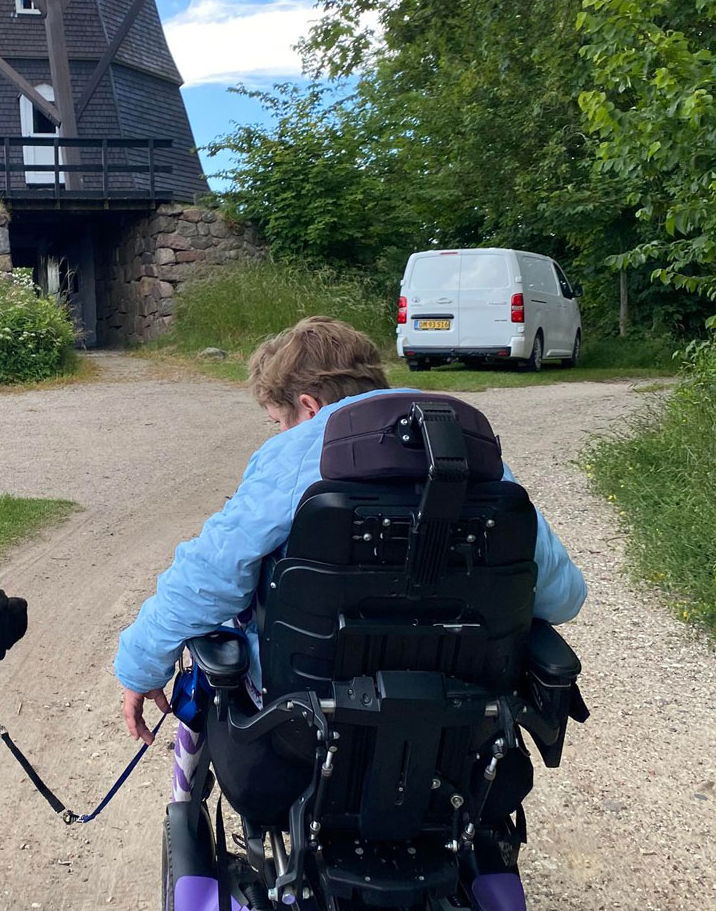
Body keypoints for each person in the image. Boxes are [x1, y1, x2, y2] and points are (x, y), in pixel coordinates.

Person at [114, 316, 586, 759]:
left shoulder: (301, 453)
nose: (281, 433)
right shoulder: (470, 453)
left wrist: (141, 666)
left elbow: (210, 574)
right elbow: (563, 598)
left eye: (279, 422)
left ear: (309, 406)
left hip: (307, 722)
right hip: (463, 723)